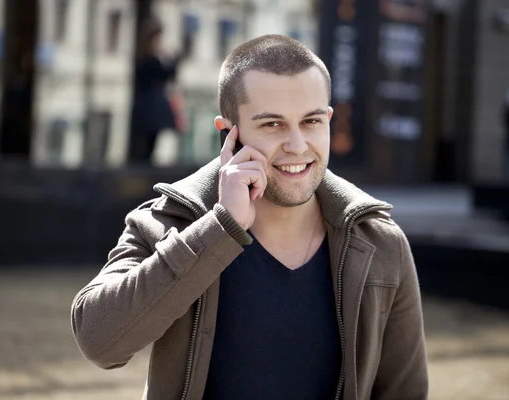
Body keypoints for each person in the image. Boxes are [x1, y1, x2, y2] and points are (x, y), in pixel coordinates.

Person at [71, 35, 428, 400]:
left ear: (328, 120)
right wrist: (220, 229)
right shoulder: (170, 222)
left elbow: (405, 392)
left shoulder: (380, 242)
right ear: (229, 134)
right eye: (272, 124)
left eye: (311, 121)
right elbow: (100, 343)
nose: (297, 145)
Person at [128, 17, 181, 164]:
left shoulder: (143, 54)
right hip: (150, 106)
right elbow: (167, 74)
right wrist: (174, 59)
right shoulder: (149, 57)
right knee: (147, 143)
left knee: (147, 143)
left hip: (146, 105)